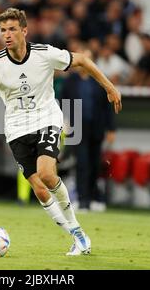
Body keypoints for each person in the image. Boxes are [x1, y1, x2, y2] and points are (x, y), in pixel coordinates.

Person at [0, 8, 122, 256]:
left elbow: (84, 60)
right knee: (40, 189)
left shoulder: (45, 54)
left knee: (46, 173)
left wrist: (109, 87)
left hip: (46, 119)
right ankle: (76, 234)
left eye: (12, 29)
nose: (7, 35)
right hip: (16, 129)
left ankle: (77, 233)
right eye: (3, 30)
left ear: (24, 31)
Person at [61, 48, 116, 212]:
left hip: (96, 127)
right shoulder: (70, 81)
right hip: (76, 128)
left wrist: (111, 128)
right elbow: (63, 102)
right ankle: (82, 199)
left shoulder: (99, 80)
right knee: (82, 164)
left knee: (95, 164)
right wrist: (64, 122)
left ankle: (93, 198)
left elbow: (108, 106)